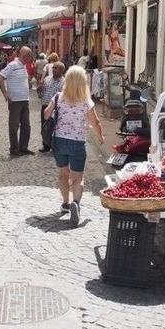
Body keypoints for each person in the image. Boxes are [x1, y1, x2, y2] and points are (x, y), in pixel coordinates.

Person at [44, 65, 105, 227]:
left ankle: (65, 203)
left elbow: (46, 114)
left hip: (60, 141)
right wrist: (100, 136)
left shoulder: (58, 97)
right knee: (78, 177)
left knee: (63, 174)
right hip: (77, 142)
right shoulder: (86, 101)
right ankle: (75, 204)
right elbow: (95, 122)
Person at [0, 46, 35, 156]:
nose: (30, 59)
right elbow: (0, 76)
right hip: (15, 101)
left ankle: (23, 148)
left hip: (25, 100)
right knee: (14, 126)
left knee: (26, 126)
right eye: (29, 57)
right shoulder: (13, 65)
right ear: (25, 56)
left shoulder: (23, 66)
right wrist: (5, 93)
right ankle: (14, 149)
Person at [39, 61, 65, 153]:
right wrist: (40, 88)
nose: (53, 69)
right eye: (53, 67)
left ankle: (55, 146)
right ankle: (46, 145)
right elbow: (40, 93)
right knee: (44, 126)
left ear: (61, 70)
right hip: (45, 105)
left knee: (55, 127)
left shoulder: (64, 82)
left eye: (55, 68)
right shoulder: (47, 79)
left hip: (57, 108)